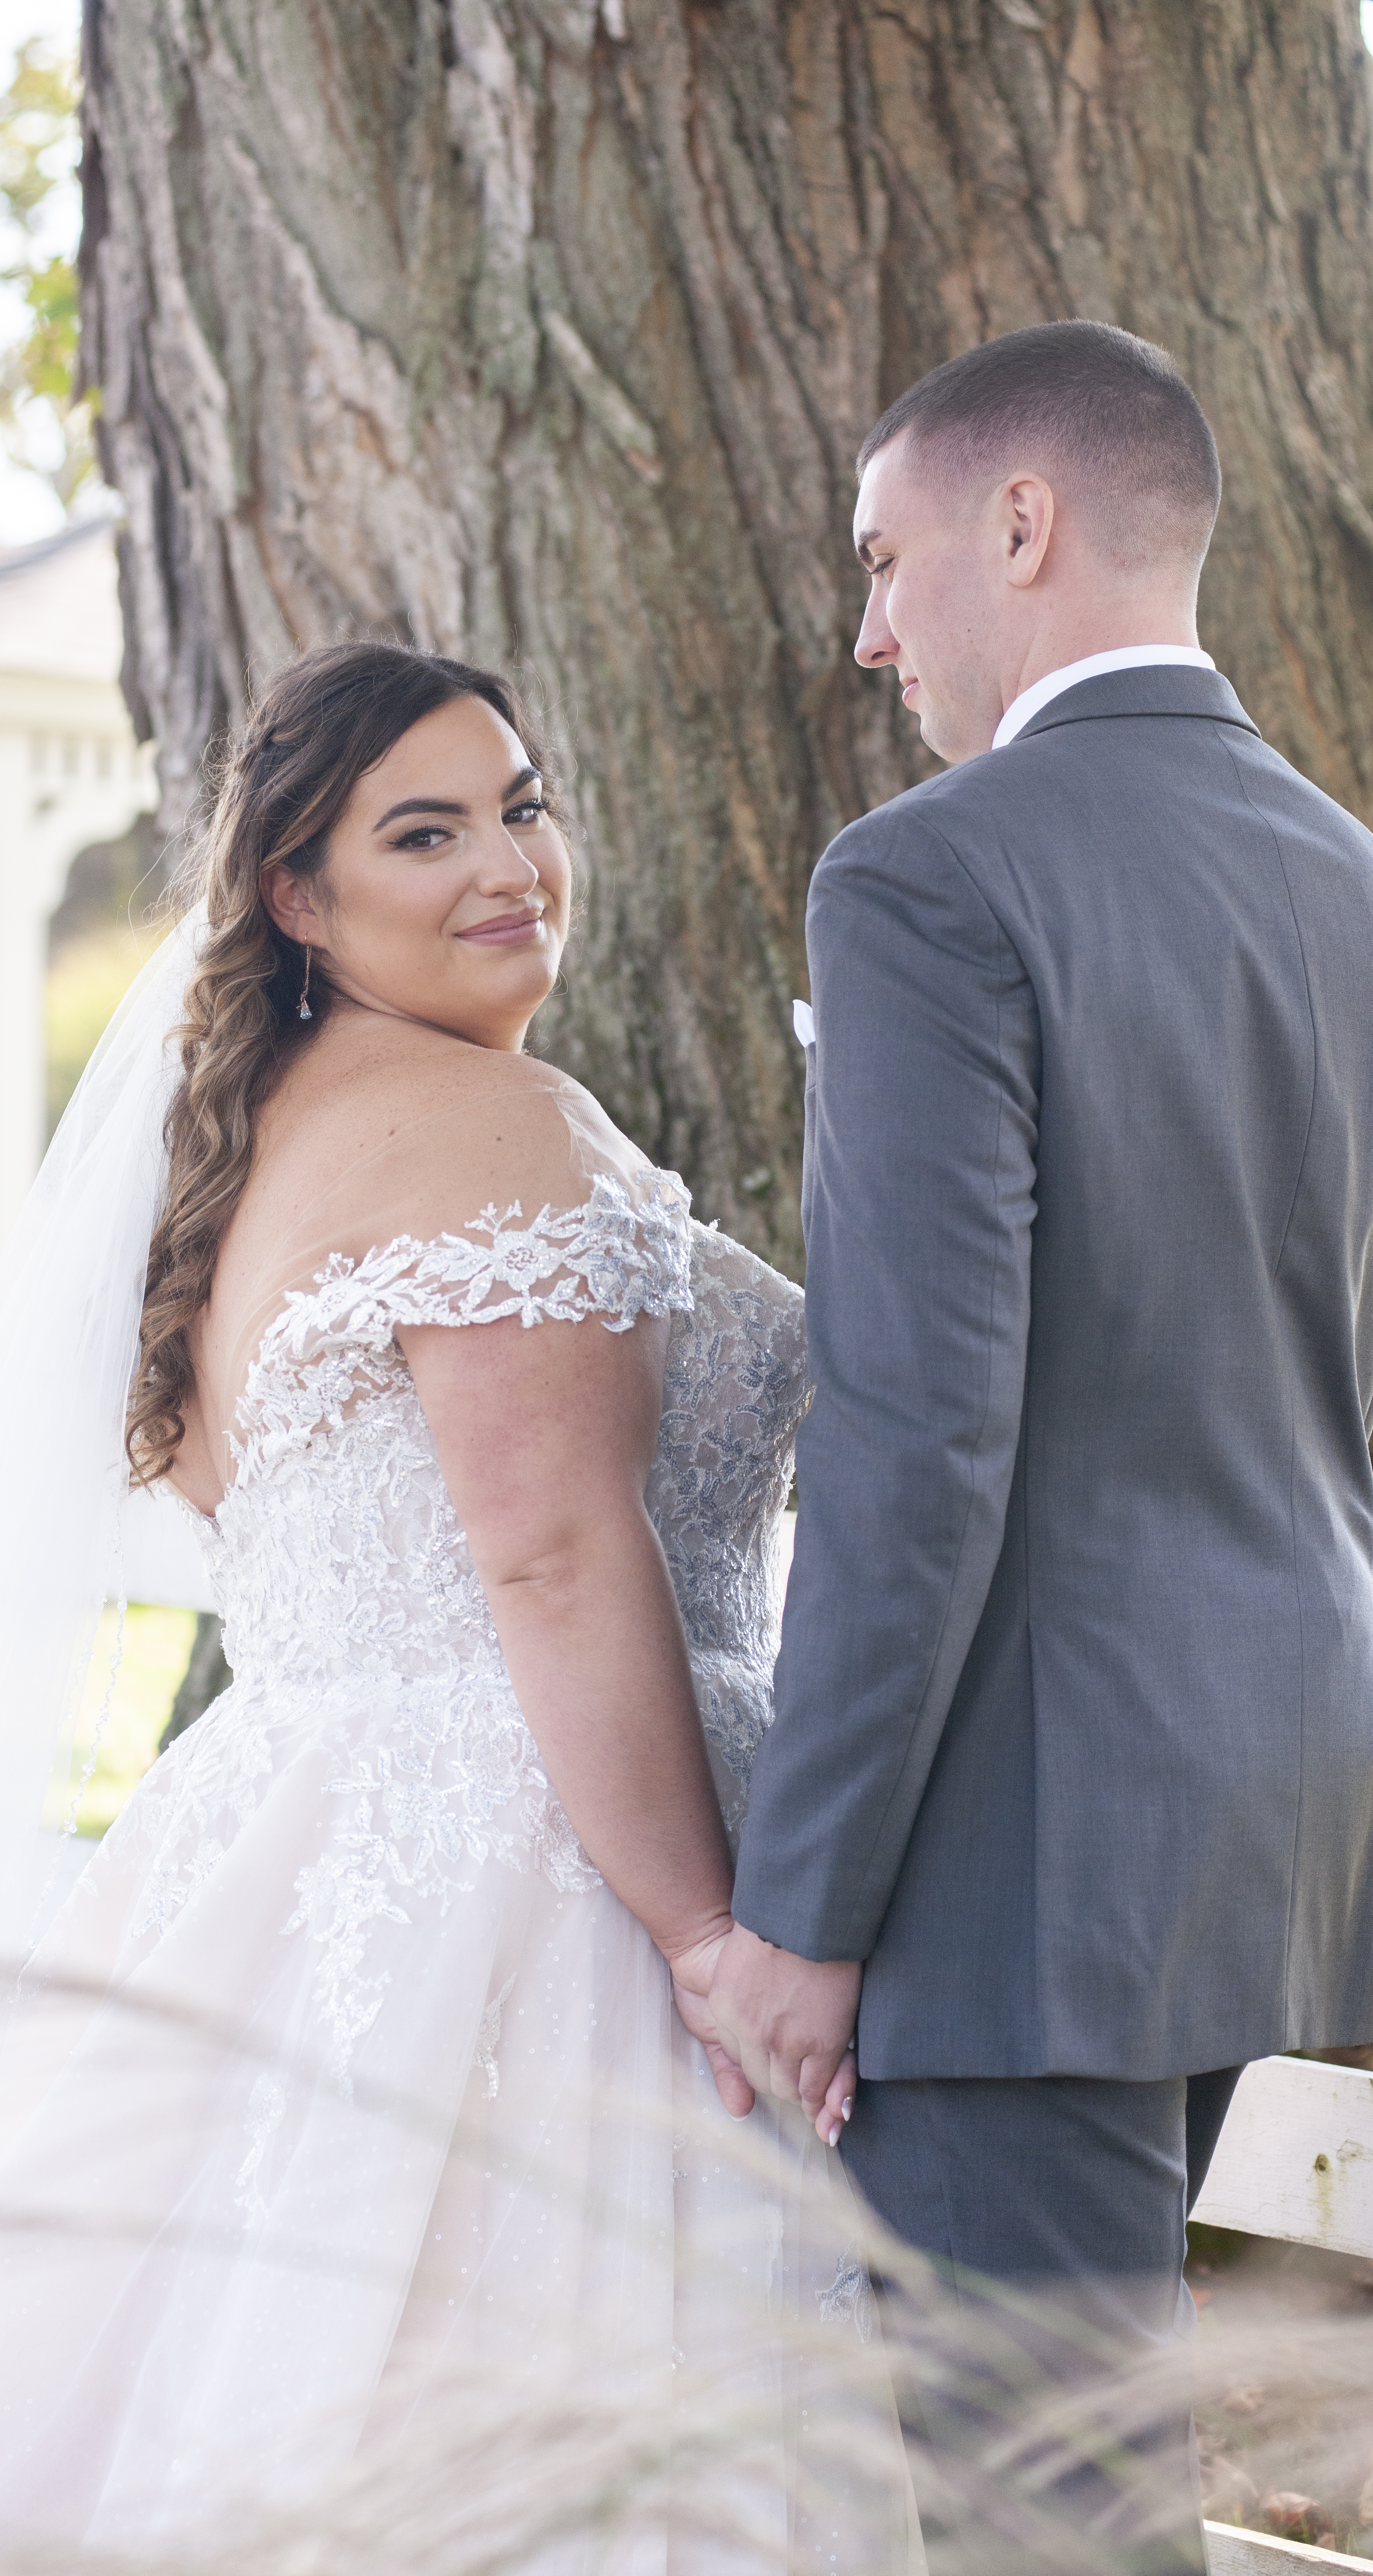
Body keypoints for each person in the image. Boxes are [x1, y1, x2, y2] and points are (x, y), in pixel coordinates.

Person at [0, 643, 905, 2572]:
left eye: (522, 805)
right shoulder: (485, 1126)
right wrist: (706, 1932)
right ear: (298, 899)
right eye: (428, 834)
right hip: (552, 1869)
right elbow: (553, 1559)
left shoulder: (252, 1145)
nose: (510, 868)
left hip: (293, 1854)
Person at [711, 319, 1373, 2569]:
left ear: (1026, 523)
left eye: (889, 562)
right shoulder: (1350, 883)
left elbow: (917, 1440)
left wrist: (804, 1917)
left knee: (1050, 2535)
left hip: (1020, 1858)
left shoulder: (928, 880)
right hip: (1276, 1806)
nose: (874, 631)